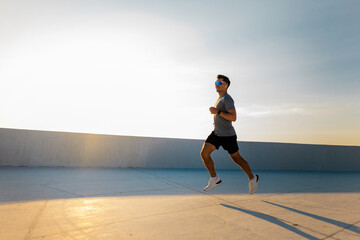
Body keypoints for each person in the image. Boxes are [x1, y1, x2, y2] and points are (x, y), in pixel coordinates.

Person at [200, 74, 259, 194]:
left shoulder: (227, 99)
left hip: (228, 136)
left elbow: (233, 117)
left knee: (237, 159)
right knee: (204, 153)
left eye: (219, 83)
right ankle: (214, 178)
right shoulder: (219, 99)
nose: (216, 85)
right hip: (217, 134)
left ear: (226, 85)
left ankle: (252, 179)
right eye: (215, 83)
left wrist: (217, 111)